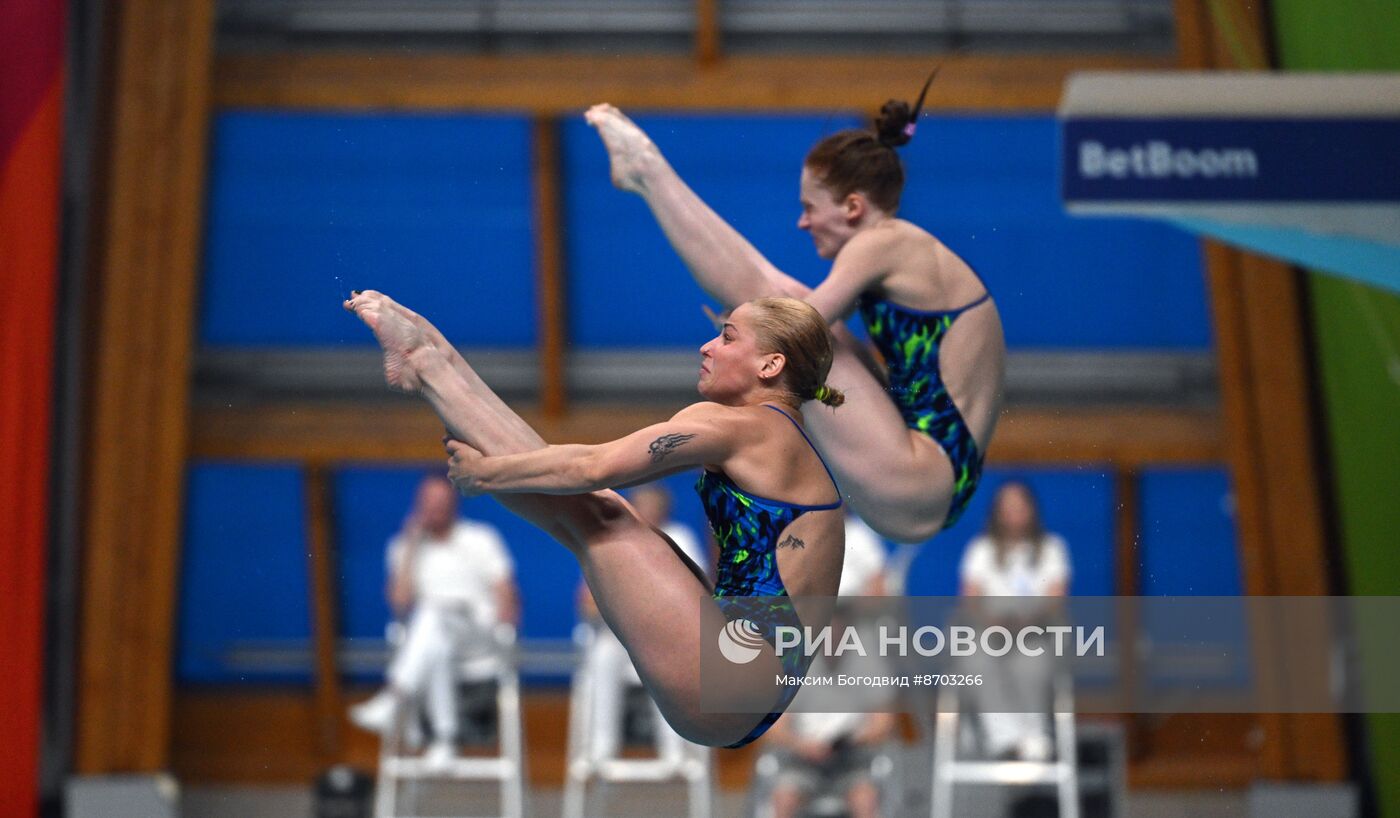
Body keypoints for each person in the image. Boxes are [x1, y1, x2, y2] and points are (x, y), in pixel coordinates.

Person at [344, 289, 845, 748]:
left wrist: (487, 475)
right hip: (749, 689)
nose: (707, 347)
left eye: (727, 337)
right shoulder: (782, 438)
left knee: (600, 516)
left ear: (770, 364)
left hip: (732, 679)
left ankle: (431, 363)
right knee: (590, 519)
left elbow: (590, 467)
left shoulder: (750, 428)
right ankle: (434, 362)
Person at [585, 76, 1006, 543]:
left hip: (918, 476)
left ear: (852, 206)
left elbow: (798, 323)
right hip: (930, 479)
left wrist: (742, 335)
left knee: (775, 302)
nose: (802, 222)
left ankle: (647, 170)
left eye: (810, 207)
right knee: (781, 304)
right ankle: (647, 174)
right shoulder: (909, 250)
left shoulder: (883, 242)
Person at [349, 474, 519, 766]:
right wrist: (412, 545)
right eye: (428, 503)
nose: (435, 509)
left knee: (433, 616)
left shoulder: (480, 538)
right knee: (434, 631)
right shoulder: (402, 547)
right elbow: (400, 604)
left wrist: (504, 620)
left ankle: (395, 696)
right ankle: (444, 739)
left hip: (478, 636)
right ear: (417, 505)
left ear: (454, 503)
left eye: (441, 502)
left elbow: (508, 596)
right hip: (434, 641)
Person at [763, 513, 895, 818]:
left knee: (865, 800)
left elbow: (883, 722)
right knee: (783, 798)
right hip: (801, 759)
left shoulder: (869, 661)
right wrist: (803, 745)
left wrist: (849, 742)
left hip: (852, 761)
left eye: (840, 618)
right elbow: (774, 729)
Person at [578, 484, 709, 763]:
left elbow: (699, 598)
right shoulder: (607, 540)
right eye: (641, 505)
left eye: (653, 506)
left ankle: (675, 750)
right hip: (621, 641)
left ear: (664, 510)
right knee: (602, 656)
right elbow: (588, 605)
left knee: (671, 658)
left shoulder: (681, 539)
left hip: (670, 640)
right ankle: (602, 748)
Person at [958, 480, 1070, 761]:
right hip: (989, 634)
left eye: (1019, 507)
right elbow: (970, 600)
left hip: (1036, 632)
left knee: (1031, 663)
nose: (1014, 514)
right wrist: (993, 623)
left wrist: (1026, 622)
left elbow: (1056, 598)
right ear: (996, 512)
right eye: (1007, 508)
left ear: (1032, 510)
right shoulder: (980, 550)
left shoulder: (1052, 549)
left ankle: (1034, 735)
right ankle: (1004, 739)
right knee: (976, 660)